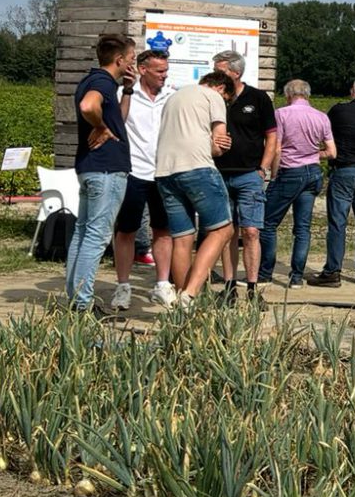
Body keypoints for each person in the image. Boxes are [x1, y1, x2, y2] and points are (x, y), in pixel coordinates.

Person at [66, 33, 136, 314]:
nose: (132, 64)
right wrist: (101, 127)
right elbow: (88, 106)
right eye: (131, 59)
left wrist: (128, 90)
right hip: (107, 169)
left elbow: (118, 119)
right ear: (119, 60)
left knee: (83, 233)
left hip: (90, 167)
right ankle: (83, 304)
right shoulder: (102, 82)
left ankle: (74, 298)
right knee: (96, 237)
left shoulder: (97, 81)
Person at [152, 71, 236, 301]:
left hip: (165, 172)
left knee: (182, 237)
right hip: (198, 168)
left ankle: (182, 301)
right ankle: (190, 294)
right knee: (222, 230)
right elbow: (218, 145)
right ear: (221, 88)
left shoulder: (174, 98)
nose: (225, 102)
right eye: (227, 99)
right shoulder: (213, 96)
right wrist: (221, 145)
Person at [109, 47, 176, 311]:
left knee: (163, 229)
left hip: (163, 171)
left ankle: (161, 284)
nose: (164, 75)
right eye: (159, 71)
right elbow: (115, 124)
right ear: (143, 69)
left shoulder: (172, 96)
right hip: (133, 170)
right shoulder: (123, 94)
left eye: (166, 71)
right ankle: (123, 286)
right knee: (126, 231)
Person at [210, 50, 278, 302]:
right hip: (219, 173)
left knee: (251, 231)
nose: (216, 76)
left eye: (221, 71)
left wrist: (264, 167)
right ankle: (229, 286)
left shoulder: (258, 98)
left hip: (249, 173)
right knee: (226, 232)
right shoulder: (214, 98)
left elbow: (272, 135)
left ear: (235, 73)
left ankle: (252, 287)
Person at [310, 77, 355, 287]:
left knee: (337, 222)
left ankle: (333, 271)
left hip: (344, 169)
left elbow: (326, 134)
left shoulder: (339, 111)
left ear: (354, 90)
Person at [260, 81, 335, 287]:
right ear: (307, 94)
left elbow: (276, 149)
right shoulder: (321, 116)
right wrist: (312, 154)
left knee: (268, 223)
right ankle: (296, 277)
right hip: (313, 172)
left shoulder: (282, 114)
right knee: (302, 228)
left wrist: (273, 175)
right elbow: (331, 152)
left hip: (289, 171)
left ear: (288, 94)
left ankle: (265, 272)